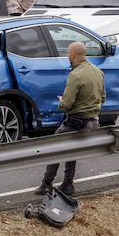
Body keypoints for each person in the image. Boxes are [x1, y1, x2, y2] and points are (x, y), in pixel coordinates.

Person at [36, 41, 104, 198]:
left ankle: (47, 183)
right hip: (94, 122)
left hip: (78, 121)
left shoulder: (75, 75)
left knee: (57, 146)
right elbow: (103, 97)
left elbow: (67, 104)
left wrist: (61, 103)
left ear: (72, 55)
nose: (68, 56)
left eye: (68, 53)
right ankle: (68, 183)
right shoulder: (98, 71)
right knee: (70, 146)